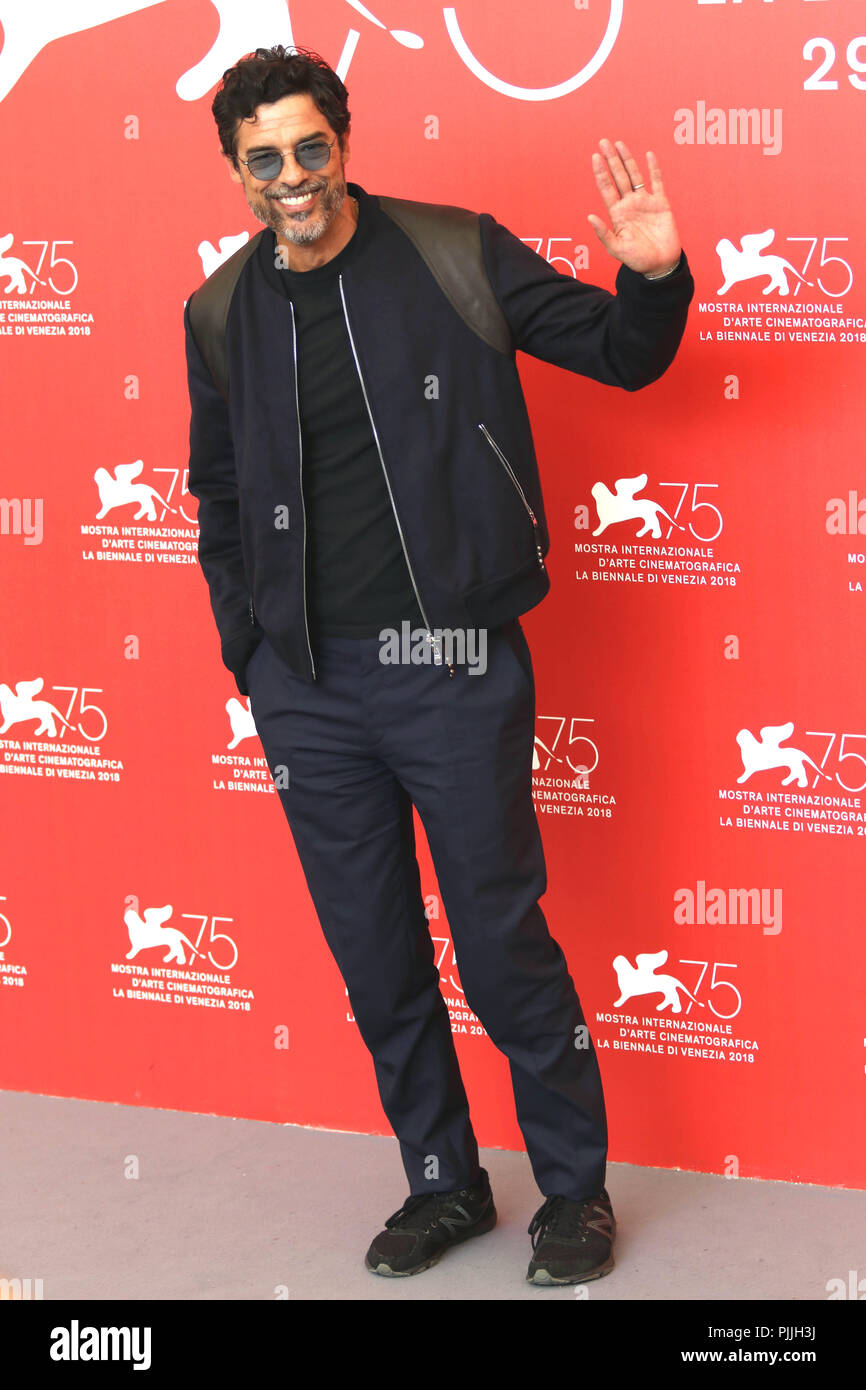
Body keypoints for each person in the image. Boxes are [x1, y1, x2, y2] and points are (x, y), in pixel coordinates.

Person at [184, 44, 694, 1286]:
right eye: (264, 160)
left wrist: (655, 276)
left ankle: (570, 1190)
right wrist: (251, 655)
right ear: (235, 173)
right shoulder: (219, 311)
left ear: (342, 144)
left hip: (448, 663)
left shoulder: (451, 251)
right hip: (309, 686)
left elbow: (621, 354)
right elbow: (222, 494)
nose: (291, 177)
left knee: (497, 937)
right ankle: (443, 1181)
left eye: (309, 148)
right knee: (374, 954)